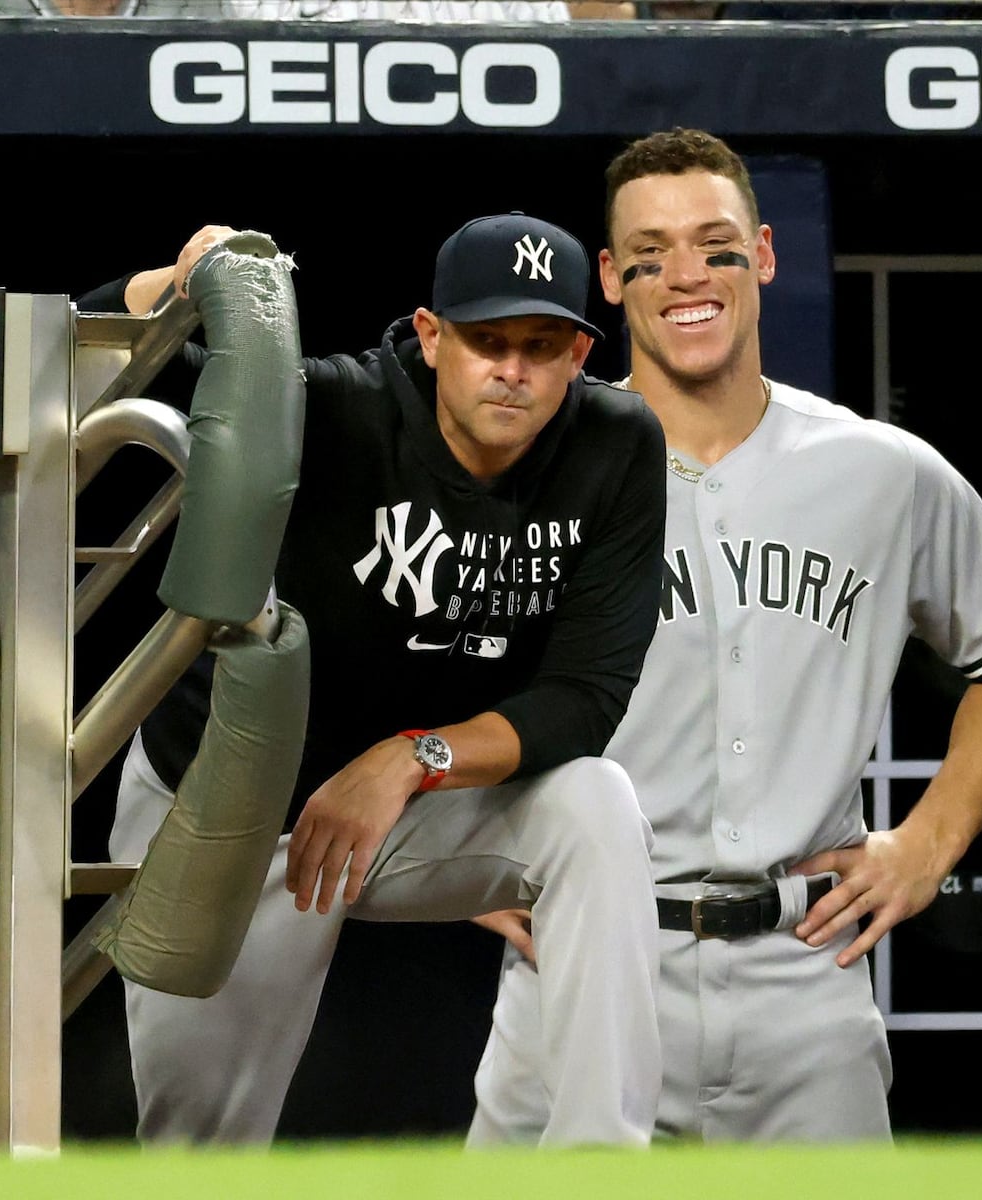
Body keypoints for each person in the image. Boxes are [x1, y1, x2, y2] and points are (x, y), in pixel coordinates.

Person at [468, 127, 982, 1144]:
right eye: (649, 253)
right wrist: (462, 855)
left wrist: (931, 840)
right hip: (583, 965)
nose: (684, 274)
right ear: (608, 277)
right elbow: (389, 663)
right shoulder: (523, 474)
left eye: (714, 243)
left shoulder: (881, 472)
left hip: (801, 981)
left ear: (764, 254)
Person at [89, 211, 668, 1146]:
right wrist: (183, 278)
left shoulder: (615, 442)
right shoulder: (338, 407)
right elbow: (99, 359)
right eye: (486, 341)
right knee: (199, 1149)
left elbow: (586, 697)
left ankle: (601, 1161)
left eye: (541, 344)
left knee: (595, 806)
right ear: (433, 338)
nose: (512, 370)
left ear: (578, 355)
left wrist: (407, 760)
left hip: (407, 799)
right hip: (236, 803)